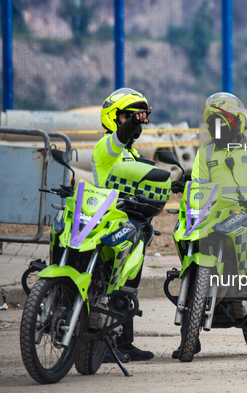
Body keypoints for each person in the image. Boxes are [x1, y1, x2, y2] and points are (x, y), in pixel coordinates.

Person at [171, 92, 247, 359]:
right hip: (213, 214)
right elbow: (197, 182)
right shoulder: (205, 151)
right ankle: (188, 339)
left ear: (238, 123)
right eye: (213, 124)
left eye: (224, 123)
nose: (218, 129)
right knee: (187, 246)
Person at [92, 87, 154, 363]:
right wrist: (131, 124)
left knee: (128, 284)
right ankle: (102, 344)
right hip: (110, 225)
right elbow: (118, 139)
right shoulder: (107, 146)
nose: (133, 121)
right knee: (110, 286)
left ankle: (124, 342)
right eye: (126, 116)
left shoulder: (131, 153)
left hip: (131, 226)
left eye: (136, 116)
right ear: (111, 118)